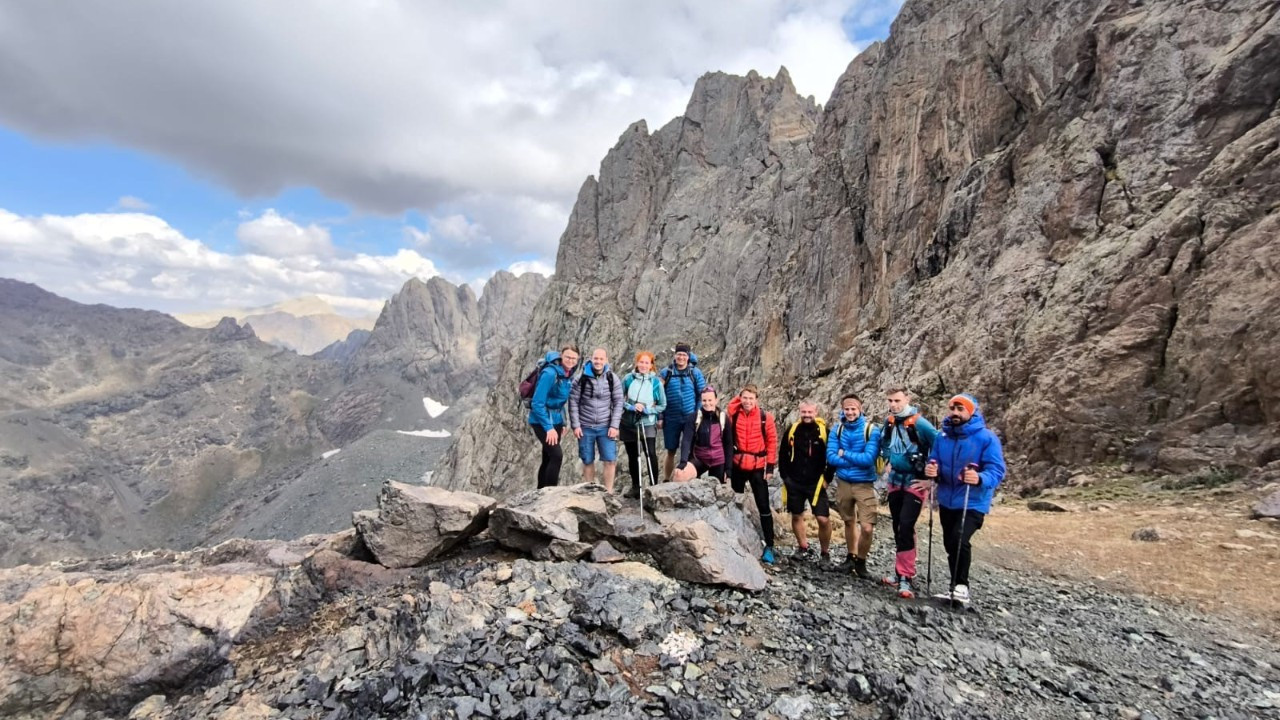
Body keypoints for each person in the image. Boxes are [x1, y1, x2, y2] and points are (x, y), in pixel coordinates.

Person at [923, 393, 1006, 604]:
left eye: (961, 410)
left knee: (959, 538)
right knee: (950, 543)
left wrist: (979, 477)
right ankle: (955, 587)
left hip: (973, 500)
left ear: (972, 412)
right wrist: (933, 469)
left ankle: (961, 587)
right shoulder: (942, 437)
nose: (956, 413)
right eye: (953, 409)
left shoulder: (986, 438)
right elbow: (934, 460)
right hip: (947, 499)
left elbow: (997, 470)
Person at [879, 386, 938, 598]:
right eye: (890, 401)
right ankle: (900, 572)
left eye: (897, 400)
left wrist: (932, 478)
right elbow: (884, 441)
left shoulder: (920, 423)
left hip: (915, 481)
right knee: (897, 525)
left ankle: (906, 576)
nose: (893, 405)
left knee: (906, 525)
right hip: (895, 480)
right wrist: (887, 458)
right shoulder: (890, 422)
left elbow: (939, 444)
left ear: (907, 399)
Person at [825, 394, 882, 578]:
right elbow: (831, 456)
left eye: (853, 409)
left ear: (860, 409)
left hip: (864, 483)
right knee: (849, 521)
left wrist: (845, 454)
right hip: (843, 482)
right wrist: (849, 459)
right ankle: (851, 557)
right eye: (847, 409)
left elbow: (868, 459)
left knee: (867, 527)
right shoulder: (837, 429)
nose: (849, 412)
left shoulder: (871, 430)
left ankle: (861, 561)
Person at [726, 384, 779, 564]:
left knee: (763, 507)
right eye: (744, 398)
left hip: (758, 466)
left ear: (757, 400)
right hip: (738, 464)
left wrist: (770, 467)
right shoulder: (734, 414)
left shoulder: (766, 417)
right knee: (736, 503)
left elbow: (772, 442)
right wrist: (738, 398)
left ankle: (769, 545)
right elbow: (729, 408)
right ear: (740, 398)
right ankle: (735, 538)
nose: (747, 401)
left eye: (751, 398)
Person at [778, 401, 831, 562]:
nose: (807, 415)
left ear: (816, 412)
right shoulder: (793, 430)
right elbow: (783, 455)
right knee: (796, 516)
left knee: (823, 519)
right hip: (794, 481)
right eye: (804, 412)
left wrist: (827, 478)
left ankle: (825, 552)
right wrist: (785, 477)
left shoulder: (823, 432)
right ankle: (802, 546)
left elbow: (833, 457)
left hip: (816, 483)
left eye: (810, 412)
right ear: (799, 412)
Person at [568, 347, 624, 492]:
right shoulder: (581, 379)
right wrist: (576, 425)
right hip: (585, 427)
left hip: (606, 426)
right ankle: (591, 492)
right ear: (591, 359)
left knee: (610, 460)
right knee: (587, 460)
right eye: (596, 358)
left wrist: (614, 425)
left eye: (601, 359)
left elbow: (619, 402)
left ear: (606, 360)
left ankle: (609, 492)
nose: (598, 361)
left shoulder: (612, 378)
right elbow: (573, 402)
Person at [527, 345, 580, 489]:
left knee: (548, 457)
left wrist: (562, 422)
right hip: (541, 421)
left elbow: (560, 403)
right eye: (568, 357)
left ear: (578, 360)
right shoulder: (550, 374)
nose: (570, 360)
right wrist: (549, 428)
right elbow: (537, 403)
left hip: (556, 420)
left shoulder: (568, 374)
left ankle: (540, 493)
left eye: (574, 358)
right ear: (561, 356)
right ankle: (550, 494)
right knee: (557, 455)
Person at [620, 351, 667, 499]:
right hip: (628, 422)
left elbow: (662, 405)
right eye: (641, 362)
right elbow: (618, 398)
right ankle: (635, 487)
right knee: (633, 455)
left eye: (647, 363)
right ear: (637, 363)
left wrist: (648, 410)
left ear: (651, 365)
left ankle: (654, 488)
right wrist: (630, 407)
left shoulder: (655, 383)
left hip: (647, 423)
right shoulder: (628, 379)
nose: (643, 365)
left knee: (650, 453)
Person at [659, 343, 707, 481]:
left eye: (684, 355)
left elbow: (701, 394)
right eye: (679, 354)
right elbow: (658, 397)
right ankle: (667, 479)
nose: (681, 357)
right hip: (671, 418)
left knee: (691, 450)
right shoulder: (666, 373)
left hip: (689, 418)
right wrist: (660, 417)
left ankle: (689, 478)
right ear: (675, 356)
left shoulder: (695, 373)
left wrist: (697, 414)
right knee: (671, 450)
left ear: (688, 356)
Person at [672, 386, 732, 483]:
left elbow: (728, 444)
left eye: (710, 400)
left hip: (718, 460)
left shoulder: (723, 418)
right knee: (679, 475)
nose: (707, 403)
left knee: (720, 489)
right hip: (700, 458)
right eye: (704, 400)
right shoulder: (694, 417)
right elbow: (686, 440)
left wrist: (728, 469)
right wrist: (683, 462)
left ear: (716, 400)